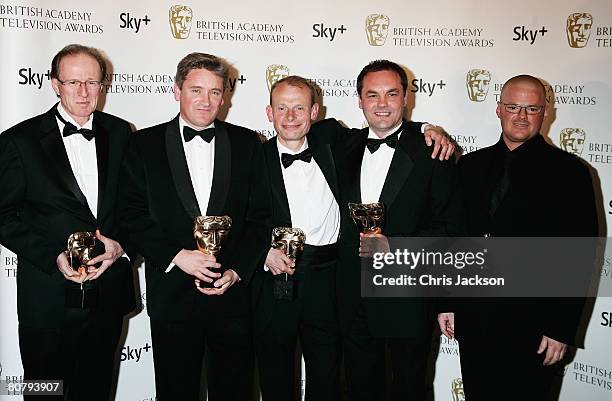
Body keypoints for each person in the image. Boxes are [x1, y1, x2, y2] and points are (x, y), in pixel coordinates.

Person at [438, 75, 598, 401]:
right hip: (476, 318)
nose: (521, 116)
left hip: (534, 325)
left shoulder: (571, 173)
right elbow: (454, 239)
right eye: (513, 106)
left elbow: (580, 256)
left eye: (531, 108)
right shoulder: (469, 166)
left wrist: (560, 328)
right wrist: (448, 302)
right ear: (498, 109)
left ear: (545, 113)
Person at [119, 52, 261, 401]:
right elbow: (130, 213)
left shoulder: (247, 143)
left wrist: (237, 271)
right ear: (176, 90)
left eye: (215, 92)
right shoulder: (142, 144)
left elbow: (261, 217)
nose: (207, 100)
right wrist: (177, 256)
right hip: (172, 295)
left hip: (232, 297)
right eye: (196, 90)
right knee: (175, 391)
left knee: (235, 391)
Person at [0, 44, 135, 401]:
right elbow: (3, 215)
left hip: (107, 294)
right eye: (73, 82)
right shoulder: (19, 141)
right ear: (54, 84)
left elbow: (137, 208)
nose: (84, 92)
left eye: (92, 82)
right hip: (47, 299)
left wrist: (120, 246)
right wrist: (52, 256)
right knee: (44, 392)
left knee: (96, 390)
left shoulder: (123, 134)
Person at [334, 59, 461, 401]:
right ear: (359, 100)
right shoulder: (340, 145)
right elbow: (298, 126)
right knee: (358, 388)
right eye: (372, 95)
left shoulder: (434, 151)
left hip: (409, 297)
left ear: (407, 97)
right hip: (351, 297)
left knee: (409, 388)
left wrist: (395, 245)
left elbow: (449, 230)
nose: (382, 103)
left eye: (392, 93)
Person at [250, 76, 342, 401]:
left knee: (328, 375)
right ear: (269, 112)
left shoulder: (334, 143)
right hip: (275, 280)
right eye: (282, 108)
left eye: (299, 107)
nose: (290, 116)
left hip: (328, 280)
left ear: (314, 111)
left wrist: (427, 128)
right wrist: (263, 252)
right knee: (276, 377)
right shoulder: (252, 160)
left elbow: (384, 126)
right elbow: (239, 220)